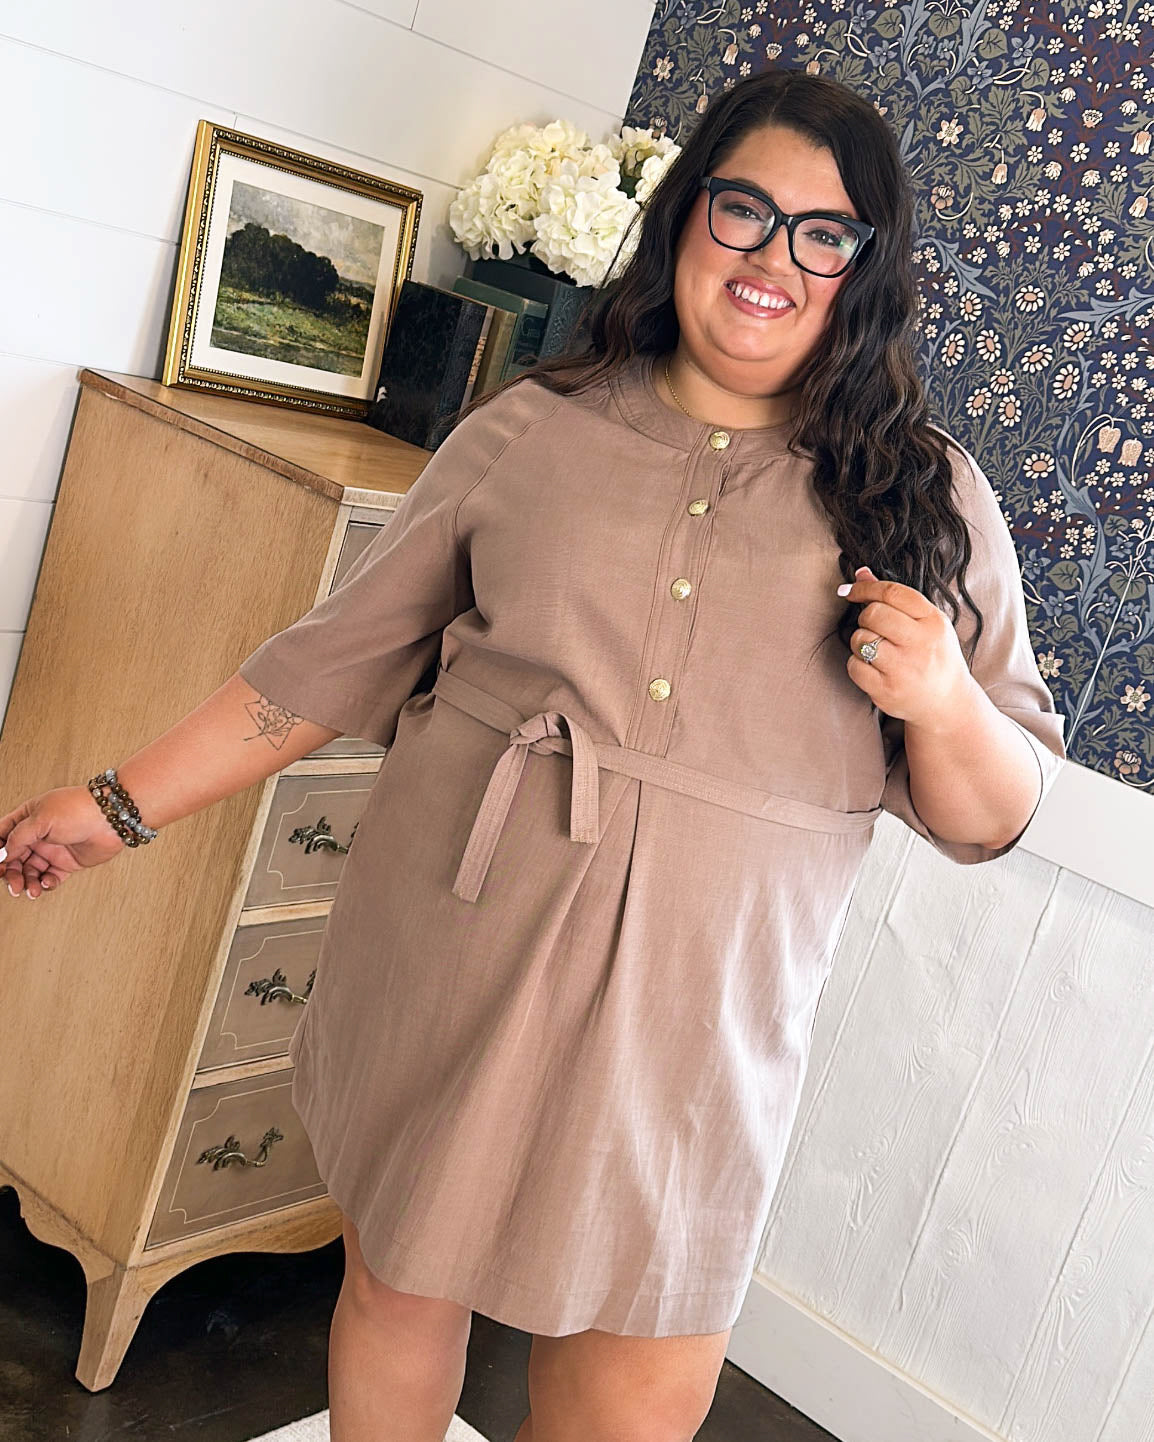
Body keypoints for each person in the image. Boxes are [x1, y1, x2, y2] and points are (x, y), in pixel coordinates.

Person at [0, 68, 1065, 1442]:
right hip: (453, 947)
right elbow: (323, 669)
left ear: (864, 268)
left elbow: (990, 818)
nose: (772, 259)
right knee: (397, 1292)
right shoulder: (528, 429)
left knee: (635, 1385)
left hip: (695, 1027)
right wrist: (114, 807)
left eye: (824, 233)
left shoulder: (926, 495)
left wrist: (944, 699)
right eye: (742, 211)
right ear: (685, 217)